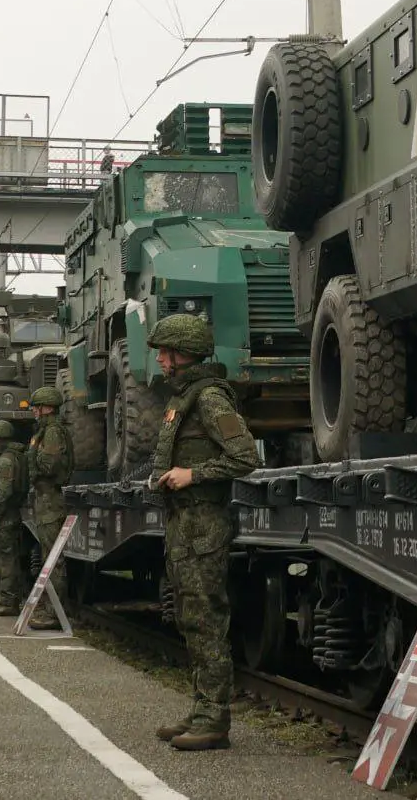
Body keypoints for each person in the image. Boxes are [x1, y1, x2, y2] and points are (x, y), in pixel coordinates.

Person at [147, 313, 260, 752]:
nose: (159, 359)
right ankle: (200, 710)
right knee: (190, 618)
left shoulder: (210, 398)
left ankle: (214, 719)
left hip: (203, 525)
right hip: (184, 524)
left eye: (164, 352)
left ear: (182, 354)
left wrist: (192, 474)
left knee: (206, 619)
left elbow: (245, 457)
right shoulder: (184, 397)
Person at [25, 386, 73, 631]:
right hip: (44, 498)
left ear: (45, 408)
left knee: (53, 558)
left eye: (36, 407)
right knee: (48, 555)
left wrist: (33, 455)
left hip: (51, 499)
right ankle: (48, 607)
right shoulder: (44, 431)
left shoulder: (52, 432)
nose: (33, 411)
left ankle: (53, 613)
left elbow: (50, 465)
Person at [0, 420, 29, 616]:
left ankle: (8, 602)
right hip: (12, 512)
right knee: (10, 558)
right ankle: (12, 599)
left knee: (5, 560)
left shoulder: (5, 460)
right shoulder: (16, 456)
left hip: (5, 515)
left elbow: (3, 490)